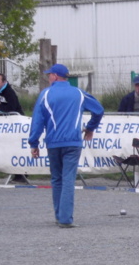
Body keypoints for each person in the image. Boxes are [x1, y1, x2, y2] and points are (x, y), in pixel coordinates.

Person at [28, 64, 104, 228]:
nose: (48, 78)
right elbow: (98, 110)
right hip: (73, 142)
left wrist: (34, 143)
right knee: (68, 179)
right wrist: (90, 128)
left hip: (53, 142)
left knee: (56, 179)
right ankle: (65, 218)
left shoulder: (45, 94)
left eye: (49, 75)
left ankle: (59, 216)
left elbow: (37, 121)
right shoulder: (78, 93)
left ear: (55, 76)